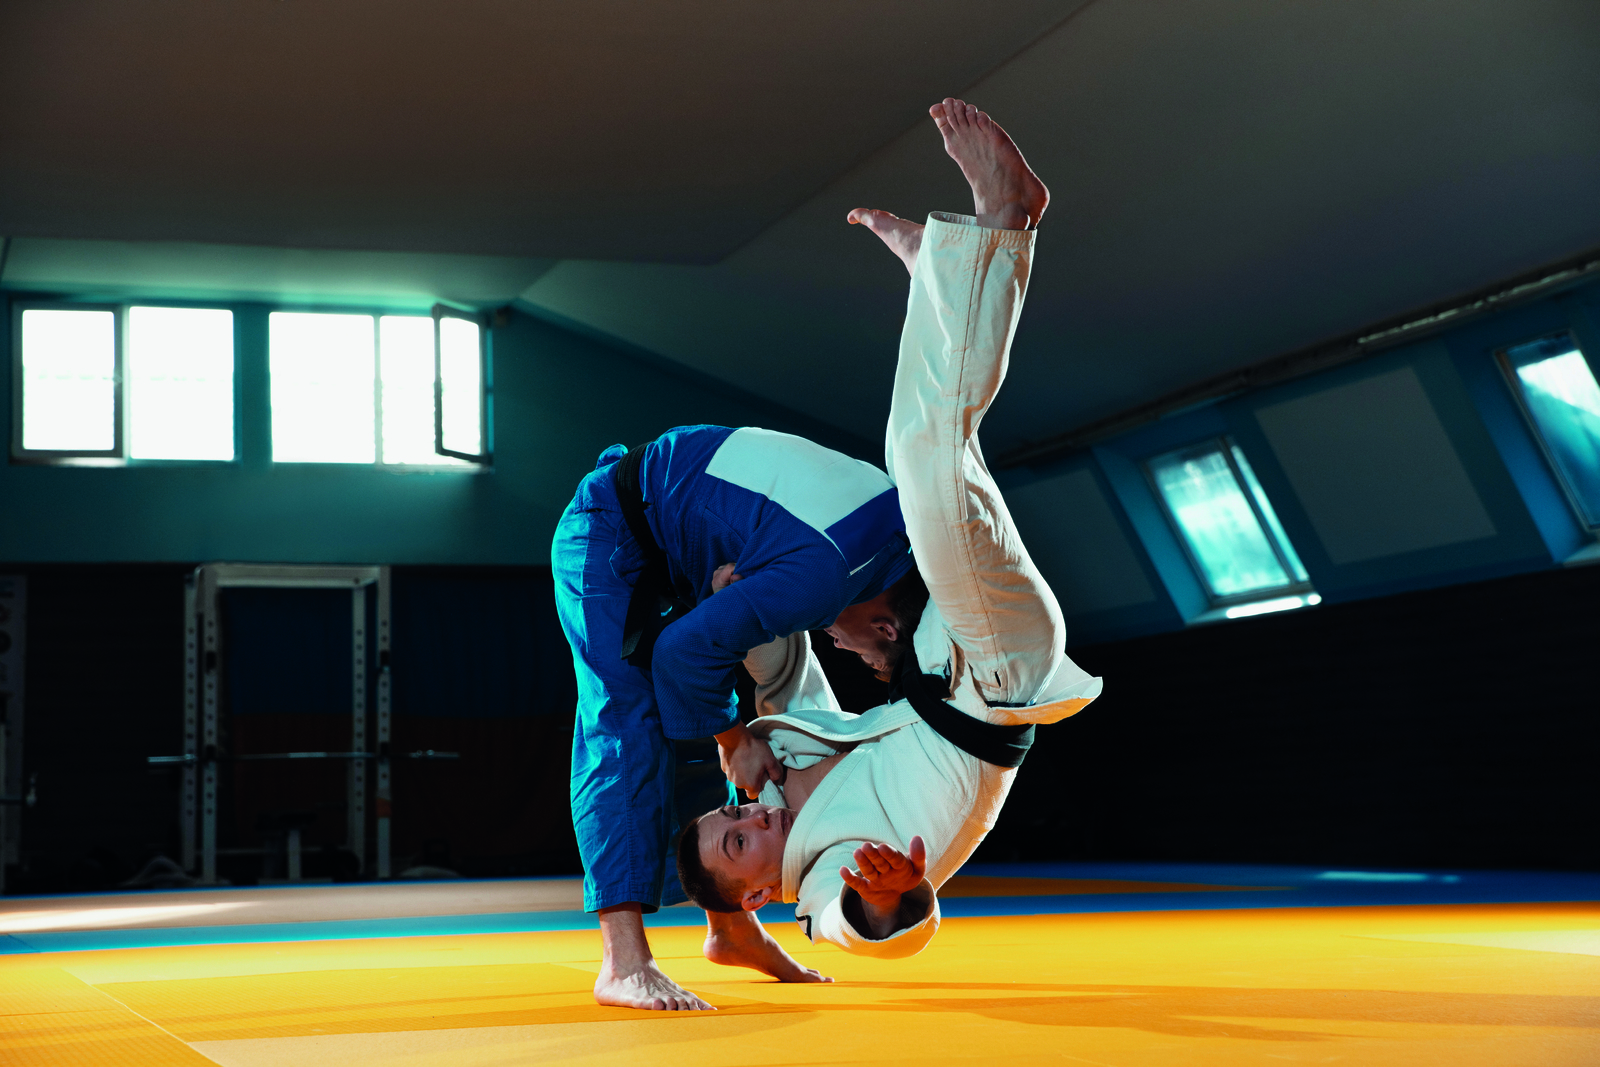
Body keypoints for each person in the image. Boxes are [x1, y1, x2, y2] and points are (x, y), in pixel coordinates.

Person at [676, 98, 1103, 957]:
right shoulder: (825, 875)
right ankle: (999, 225)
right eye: (739, 842)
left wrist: (738, 611)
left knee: (917, 455)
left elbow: (784, 664)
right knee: (927, 453)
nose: (747, 817)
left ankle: (944, 279)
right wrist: (890, 899)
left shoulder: (783, 760)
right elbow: (864, 929)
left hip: (954, 645)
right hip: (997, 681)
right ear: (757, 892)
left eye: (726, 814)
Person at [552, 389, 926, 1003]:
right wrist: (733, 737)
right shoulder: (823, 580)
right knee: (626, 724)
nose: (840, 643)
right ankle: (623, 960)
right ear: (888, 627)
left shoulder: (901, 528)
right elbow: (680, 655)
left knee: (713, 709)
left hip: (675, 531)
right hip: (611, 529)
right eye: (863, 653)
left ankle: (731, 928)